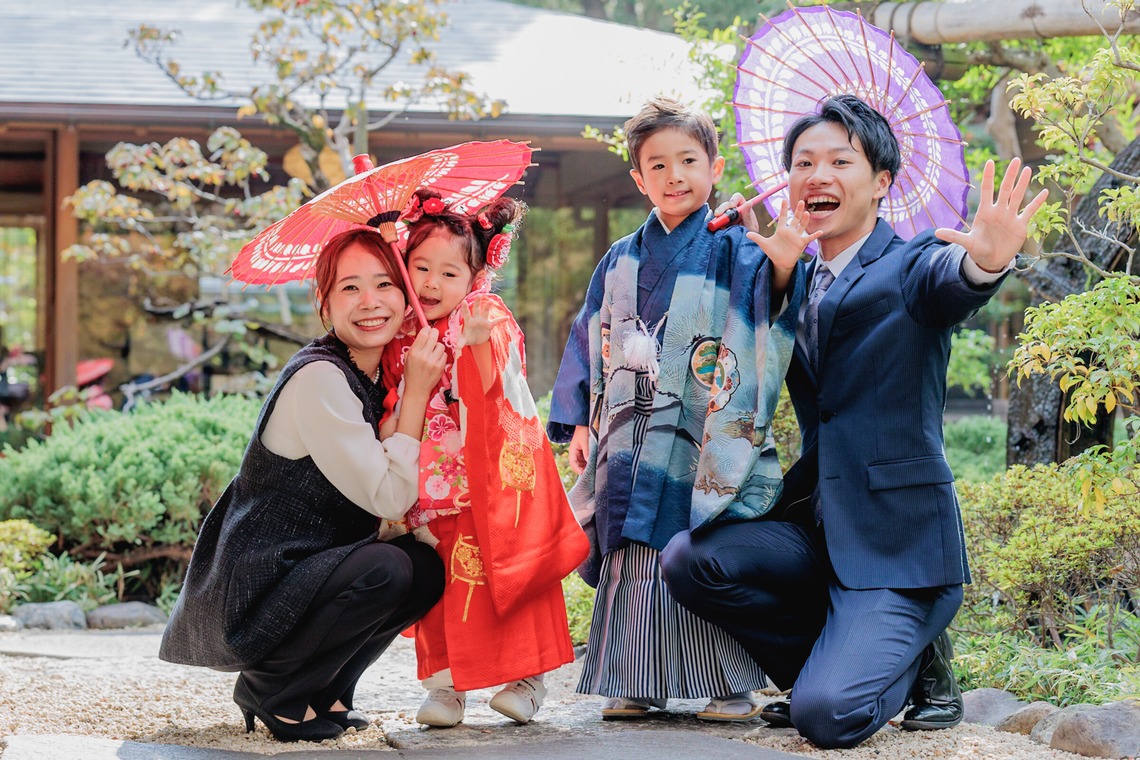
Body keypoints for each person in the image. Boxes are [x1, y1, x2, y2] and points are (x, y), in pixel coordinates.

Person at [661, 94, 1049, 749]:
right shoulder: (798, 275)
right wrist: (775, 284)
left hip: (901, 549)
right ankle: (834, 664)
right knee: (689, 561)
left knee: (825, 719)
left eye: (841, 160)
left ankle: (895, 664)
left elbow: (949, 282)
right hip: (820, 526)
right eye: (804, 161)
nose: (818, 174)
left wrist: (986, 261)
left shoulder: (911, 264)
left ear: (881, 183)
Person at [547, 96, 818, 721]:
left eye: (688, 160)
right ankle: (635, 679)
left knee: (691, 536)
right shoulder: (621, 256)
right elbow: (589, 332)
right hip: (626, 426)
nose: (675, 175)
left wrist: (779, 266)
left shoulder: (737, 248)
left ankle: (727, 685)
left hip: (699, 426)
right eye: (658, 165)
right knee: (628, 547)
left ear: (715, 167)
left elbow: (767, 313)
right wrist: (580, 423)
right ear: (639, 179)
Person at [160, 228, 449, 743]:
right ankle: (271, 688)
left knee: (424, 567)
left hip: (303, 574)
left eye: (385, 284)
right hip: (258, 590)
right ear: (325, 304)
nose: (370, 303)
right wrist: (418, 395)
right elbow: (388, 497)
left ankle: (328, 690)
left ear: (406, 298)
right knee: (385, 568)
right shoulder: (320, 379)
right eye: (349, 289)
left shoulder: (370, 377)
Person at [378, 189, 589, 728]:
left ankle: (529, 679)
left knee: (507, 569)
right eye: (420, 267)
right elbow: (391, 399)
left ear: (476, 279)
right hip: (433, 481)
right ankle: (445, 687)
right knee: (446, 580)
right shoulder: (401, 329)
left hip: (489, 473)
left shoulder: (484, 313)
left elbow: (504, 392)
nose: (430, 283)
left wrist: (474, 347)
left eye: (450, 274)